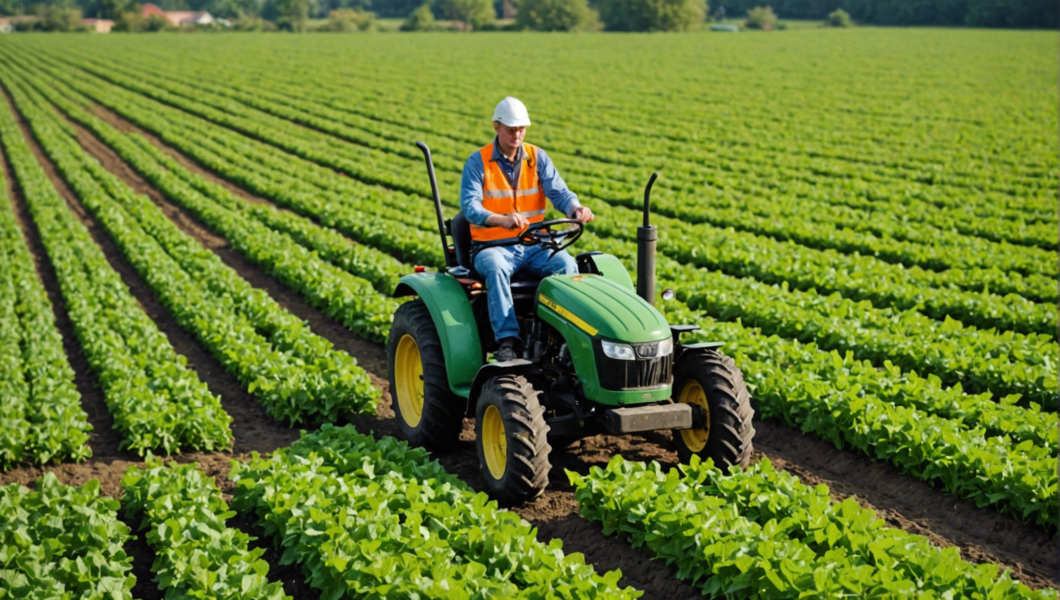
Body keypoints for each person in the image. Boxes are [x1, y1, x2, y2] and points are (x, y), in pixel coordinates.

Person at [460, 96, 595, 362]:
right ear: (497, 127)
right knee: (497, 269)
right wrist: (502, 220)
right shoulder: (478, 162)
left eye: (521, 129)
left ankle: (563, 339)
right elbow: (470, 208)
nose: (517, 135)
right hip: (493, 246)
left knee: (567, 266)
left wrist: (575, 209)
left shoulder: (537, 157)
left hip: (534, 244)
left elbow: (560, 193)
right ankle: (508, 340)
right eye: (511, 129)